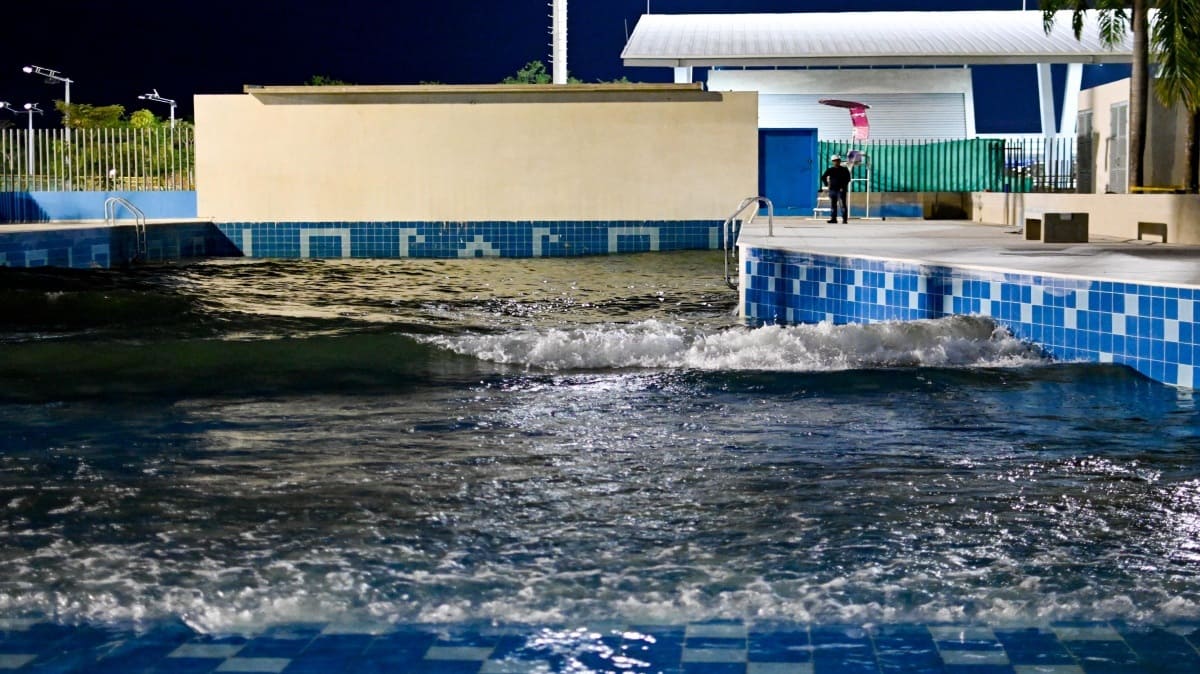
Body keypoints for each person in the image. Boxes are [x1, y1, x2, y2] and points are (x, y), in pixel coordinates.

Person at [820, 154, 851, 224]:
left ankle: (844, 219)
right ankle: (833, 219)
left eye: (837, 160)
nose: (836, 162)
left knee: (842, 205)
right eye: (834, 161)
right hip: (832, 190)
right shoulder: (830, 170)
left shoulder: (844, 170)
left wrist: (843, 187)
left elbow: (848, 179)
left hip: (841, 190)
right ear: (832, 161)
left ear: (840, 161)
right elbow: (823, 177)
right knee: (833, 205)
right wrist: (827, 184)